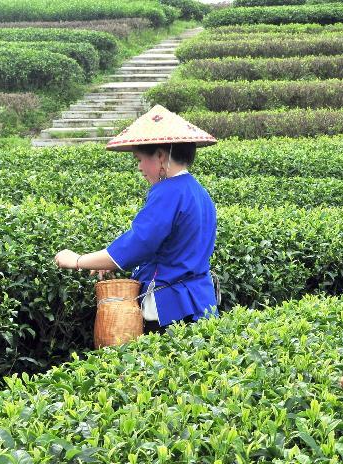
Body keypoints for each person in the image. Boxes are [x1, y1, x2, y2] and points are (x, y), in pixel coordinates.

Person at [53, 104, 219, 334]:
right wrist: (100, 261)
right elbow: (164, 245)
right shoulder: (198, 190)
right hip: (200, 302)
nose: (140, 168)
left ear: (161, 156)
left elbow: (137, 244)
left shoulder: (168, 191)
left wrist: (78, 260)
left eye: (140, 159)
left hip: (171, 308)